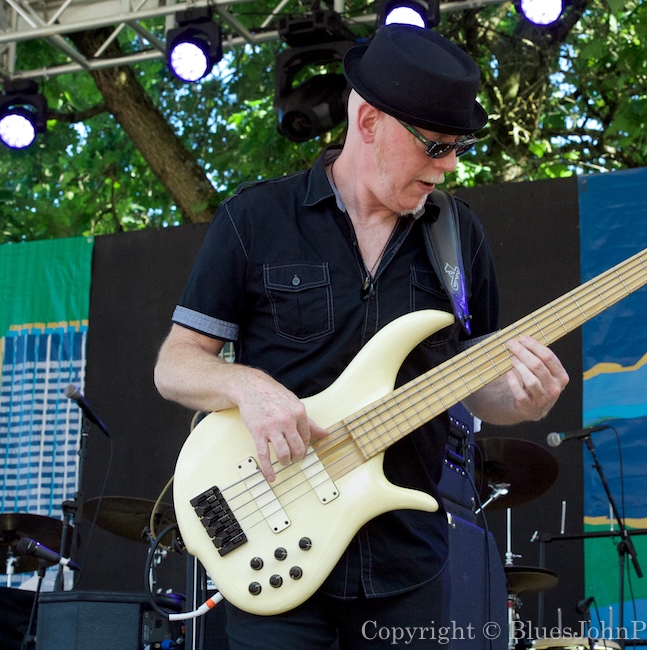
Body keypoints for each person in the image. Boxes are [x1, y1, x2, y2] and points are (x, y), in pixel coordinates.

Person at [153, 24, 569, 649]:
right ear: (370, 121)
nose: (450, 164)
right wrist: (247, 385)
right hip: (274, 543)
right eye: (436, 146)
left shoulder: (461, 238)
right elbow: (176, 367)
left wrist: (522, 401)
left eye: (458, 147)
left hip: (408, 560)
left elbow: (476, 386)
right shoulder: (258, 218)